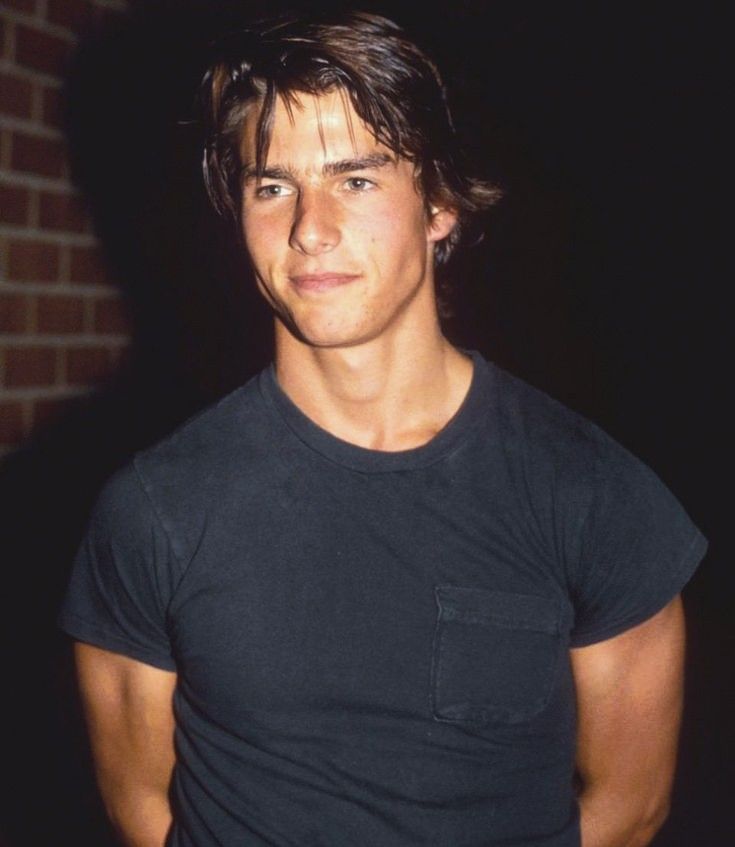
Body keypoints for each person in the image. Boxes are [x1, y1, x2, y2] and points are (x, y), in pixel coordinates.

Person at [59, 11, 707, 847]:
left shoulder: (593, 493)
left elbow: (629, 805)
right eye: (272, 185)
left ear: (438, 204)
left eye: (356, 179)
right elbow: (142, 806)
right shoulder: (153, 510)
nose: (309, 227)